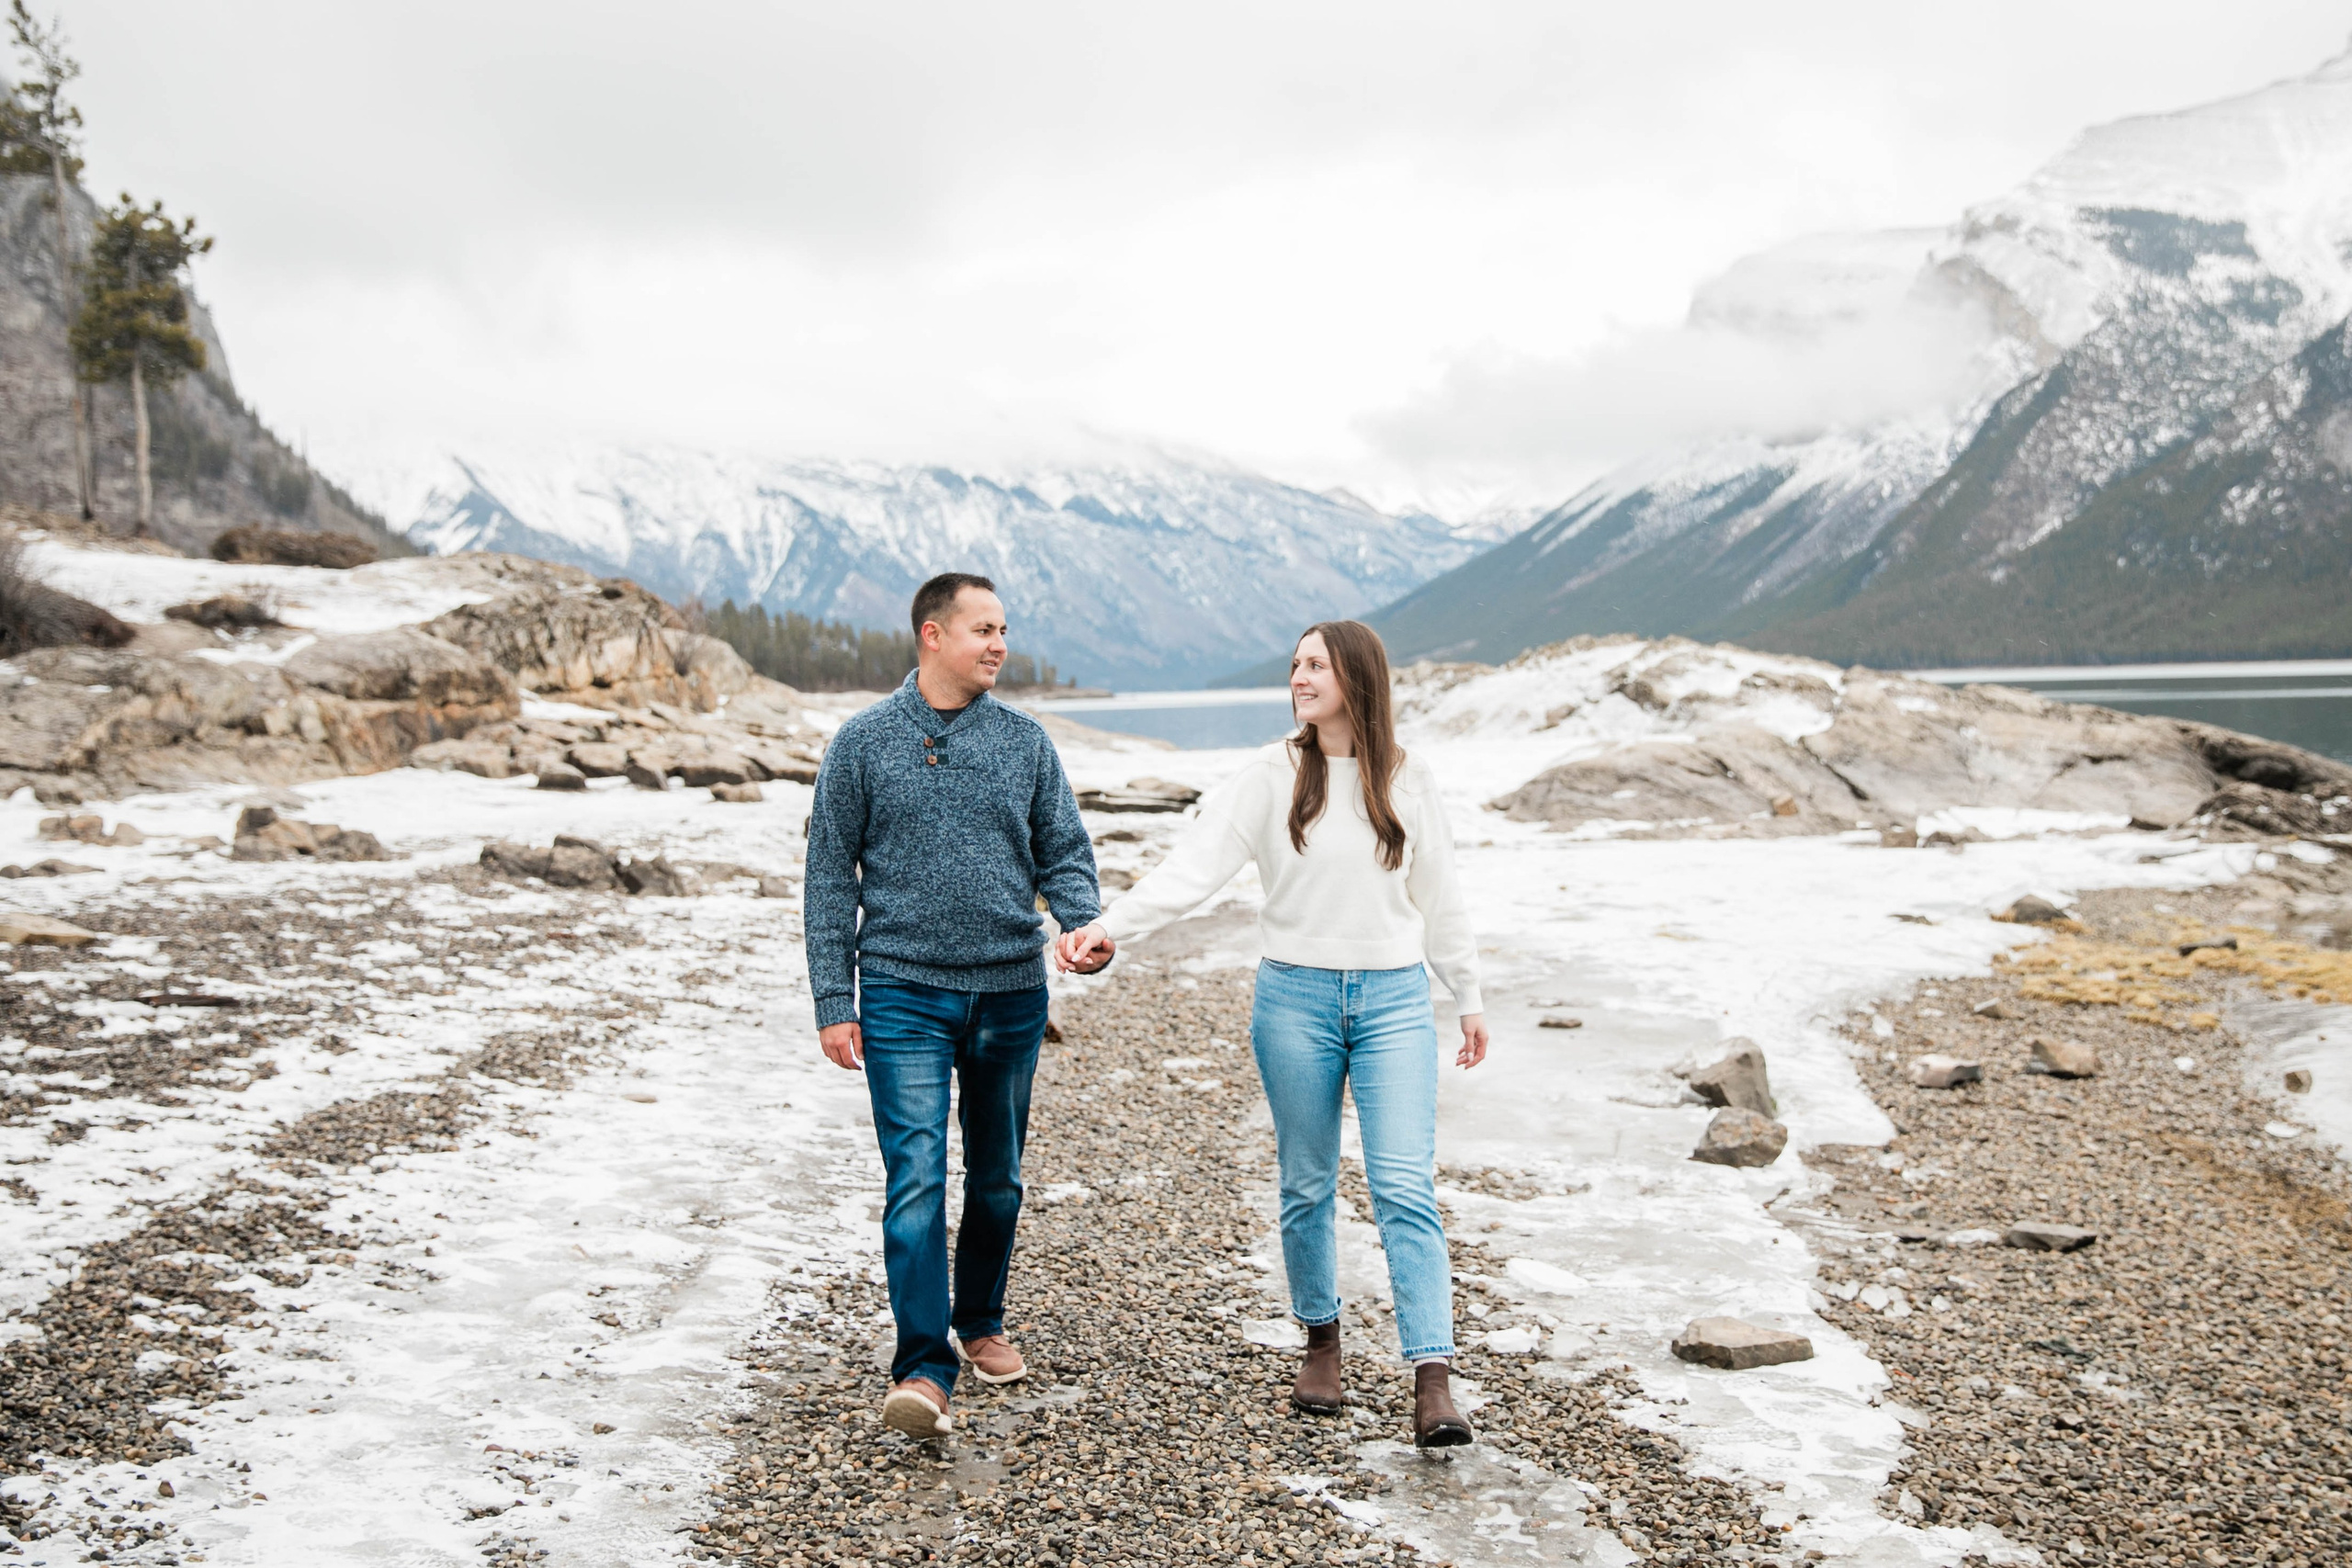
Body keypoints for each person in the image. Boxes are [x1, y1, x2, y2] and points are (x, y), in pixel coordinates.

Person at [1057, 619, 1487, 1448]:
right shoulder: (1272, 773)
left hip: (1396, 999)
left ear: (1357, 675)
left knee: (1403, 1185)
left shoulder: (1407, 776)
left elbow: (1443, 893)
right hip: (1294, 998)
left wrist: (1466, 992)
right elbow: (1194, 868)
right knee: (1307, 1181)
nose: (1298, 675)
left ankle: (1432, 1377)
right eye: (1294, 663)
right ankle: (1321, 1343)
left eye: (1316, 663)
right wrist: (1110, 927)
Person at [804, 571, 1113, 1440]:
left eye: (1005, 628)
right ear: (932, 635)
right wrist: (836, 997)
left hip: (1012, 989)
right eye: (983, 628)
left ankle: (979, 1318)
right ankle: (923, 1365)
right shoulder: (862, 742)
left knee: (1000, 1179)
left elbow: (1065, 852)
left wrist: (1085, 924)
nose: (999, 643)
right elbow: (829, 878)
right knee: (915, 1179)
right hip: (902, 990)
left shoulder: (1025, 742)